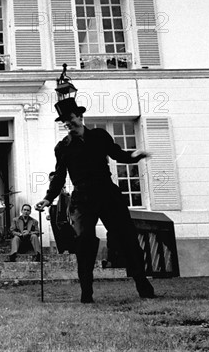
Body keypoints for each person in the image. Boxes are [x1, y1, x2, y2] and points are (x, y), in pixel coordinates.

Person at [35, 97, 155, 304]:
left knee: (127, 238)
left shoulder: (99, 136)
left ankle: (143, 285)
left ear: (80, 117)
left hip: (107, 193)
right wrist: (48, 198)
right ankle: (86, 293)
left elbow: (118, 155)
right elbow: (60, 176)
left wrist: (135, 156)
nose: (67, 124)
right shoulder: (62, 147)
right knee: (84, 241)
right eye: (64, 122)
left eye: (70, 119)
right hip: (82, 199)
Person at [46, 171, 76, 254]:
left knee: (65, 229)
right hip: (53, 210)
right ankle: (61, 249)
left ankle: (70, 248)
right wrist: (48, 213)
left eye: (54, 179)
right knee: (56, 230)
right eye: (51, 180)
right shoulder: (49, 191)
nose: (52, 182)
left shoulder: (64, 190)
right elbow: (47, 202)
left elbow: (69, 200)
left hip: (63, 210)